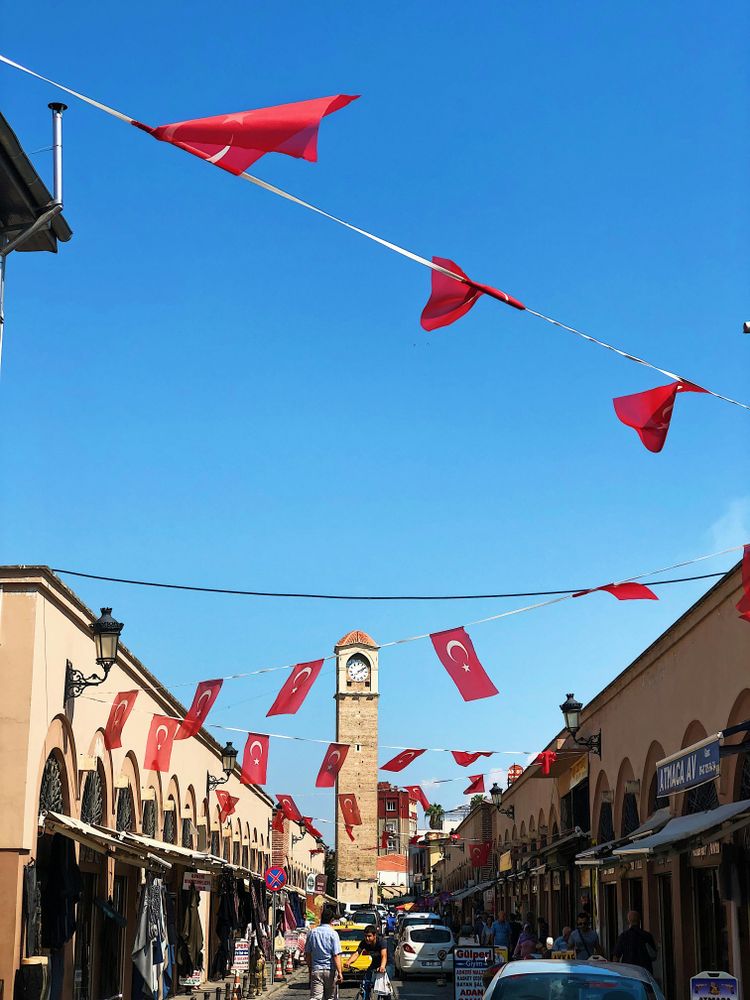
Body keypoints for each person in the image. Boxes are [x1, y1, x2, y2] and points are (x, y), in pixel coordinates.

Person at [304, 908, 343, 1000]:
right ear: (332, 920)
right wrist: (340, 972)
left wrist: (310, 969)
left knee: (316, 997)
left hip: (316, 969)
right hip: (330, 970)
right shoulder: (333, 934)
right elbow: (336, 955)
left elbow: (308, 954)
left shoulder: (312, 933)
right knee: (331, 997)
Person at [344, 924, 387, 1000]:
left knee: (384, 987)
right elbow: (357, 953)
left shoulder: (381, 942)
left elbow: (384, 955)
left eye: (369, 936)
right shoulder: (364, 943)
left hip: (387, 964)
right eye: (365, 936)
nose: (367, 938)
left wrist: (382, 967)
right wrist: (348, 962)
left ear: (374, 935)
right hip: (374, 964)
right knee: (366, 983)